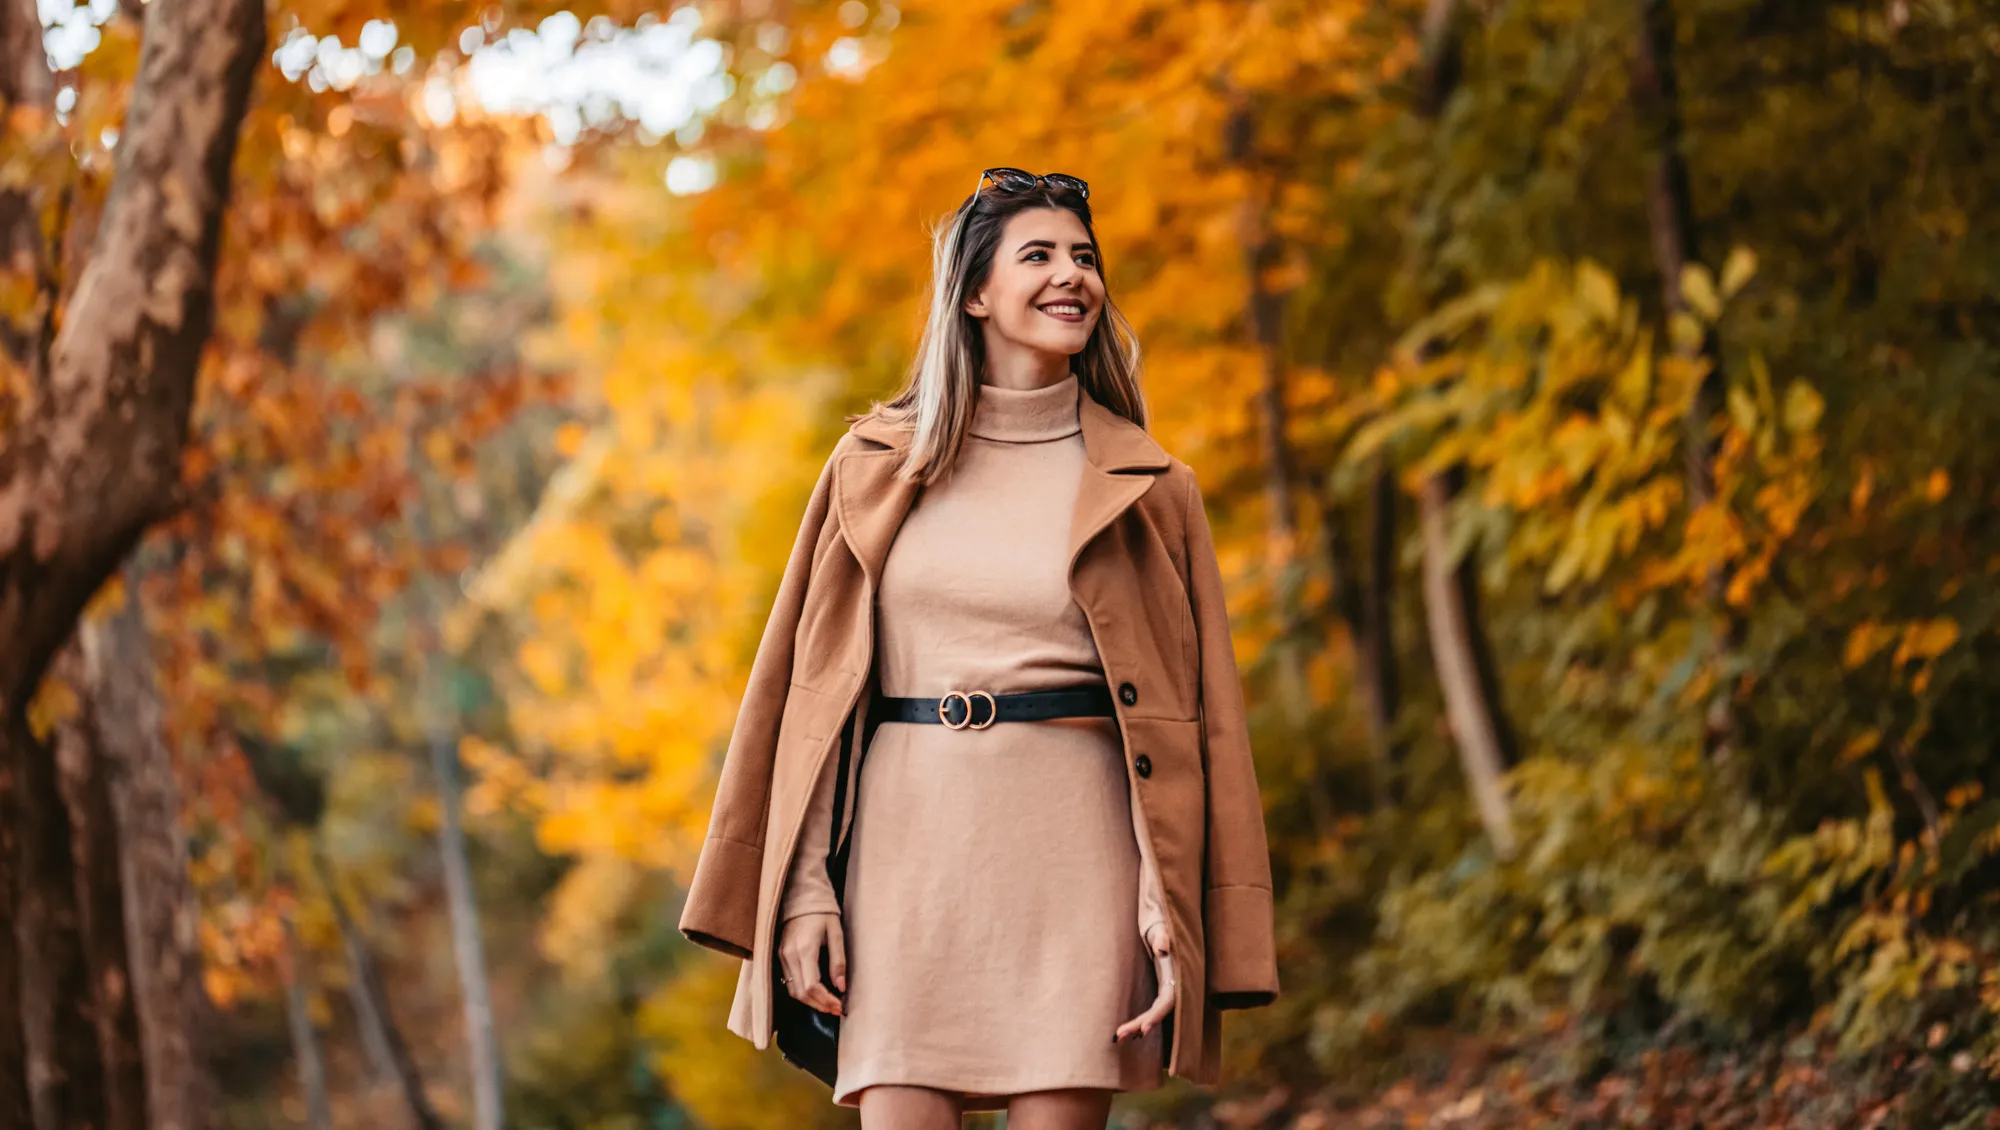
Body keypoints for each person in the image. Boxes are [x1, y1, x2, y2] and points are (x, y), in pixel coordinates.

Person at [678, 168, 1278, 1130]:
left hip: (1082, 857)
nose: (1071, 275)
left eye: (1084, 257)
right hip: (905, 854)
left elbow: (1201, 724)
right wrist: (802, 890)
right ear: (974, 294)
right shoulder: (874, 467)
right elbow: (809, 698)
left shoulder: (1153, 487)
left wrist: (1167, 898)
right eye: (1038, 255)